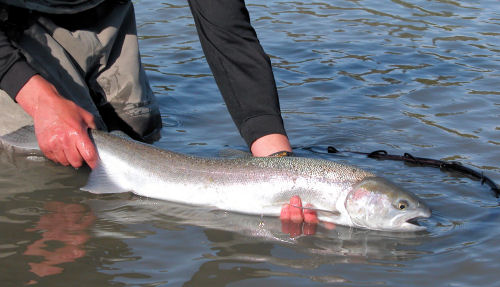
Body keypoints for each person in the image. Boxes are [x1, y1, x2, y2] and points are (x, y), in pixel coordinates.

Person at [0, 0, 317, 232]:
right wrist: (41, 101)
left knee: (135, 130)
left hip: (102, 11)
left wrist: (278, 166)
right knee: (54, 155)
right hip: (10, 22)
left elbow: (228, 31)